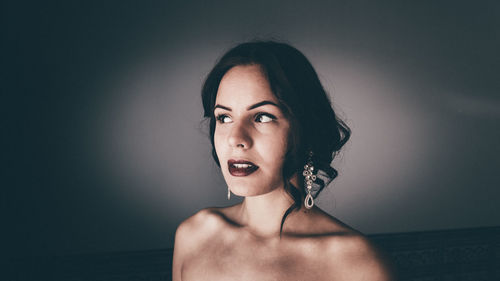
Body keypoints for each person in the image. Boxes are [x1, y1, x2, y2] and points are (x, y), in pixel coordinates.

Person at [172, 41, 394, 281]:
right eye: (224, 118)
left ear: (306, 129)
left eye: (262, 117)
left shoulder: (358, 264)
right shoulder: (194, 235)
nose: (235, 139)